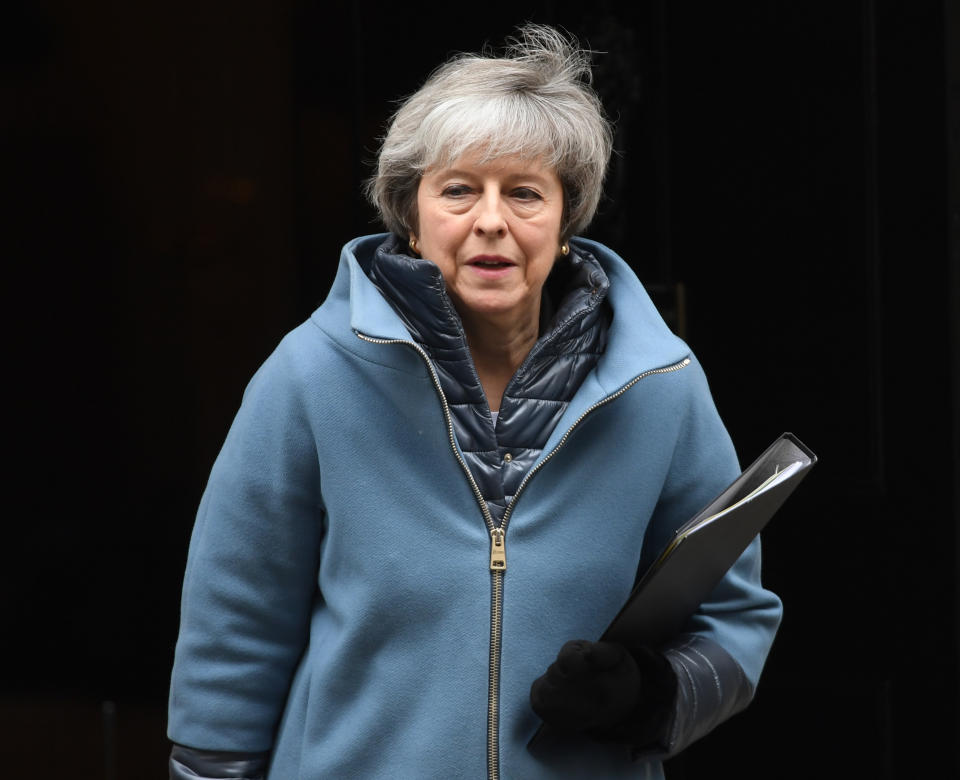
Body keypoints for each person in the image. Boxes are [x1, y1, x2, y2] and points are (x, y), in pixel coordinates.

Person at [167, 25, 782, 780]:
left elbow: (735, 618)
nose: (491, 219)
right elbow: (235, 629)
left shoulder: (662, 386)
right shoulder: (309, 377)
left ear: (565, 223)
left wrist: (648, 695)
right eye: (459, 189)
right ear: (412, 218)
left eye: (524, 192)